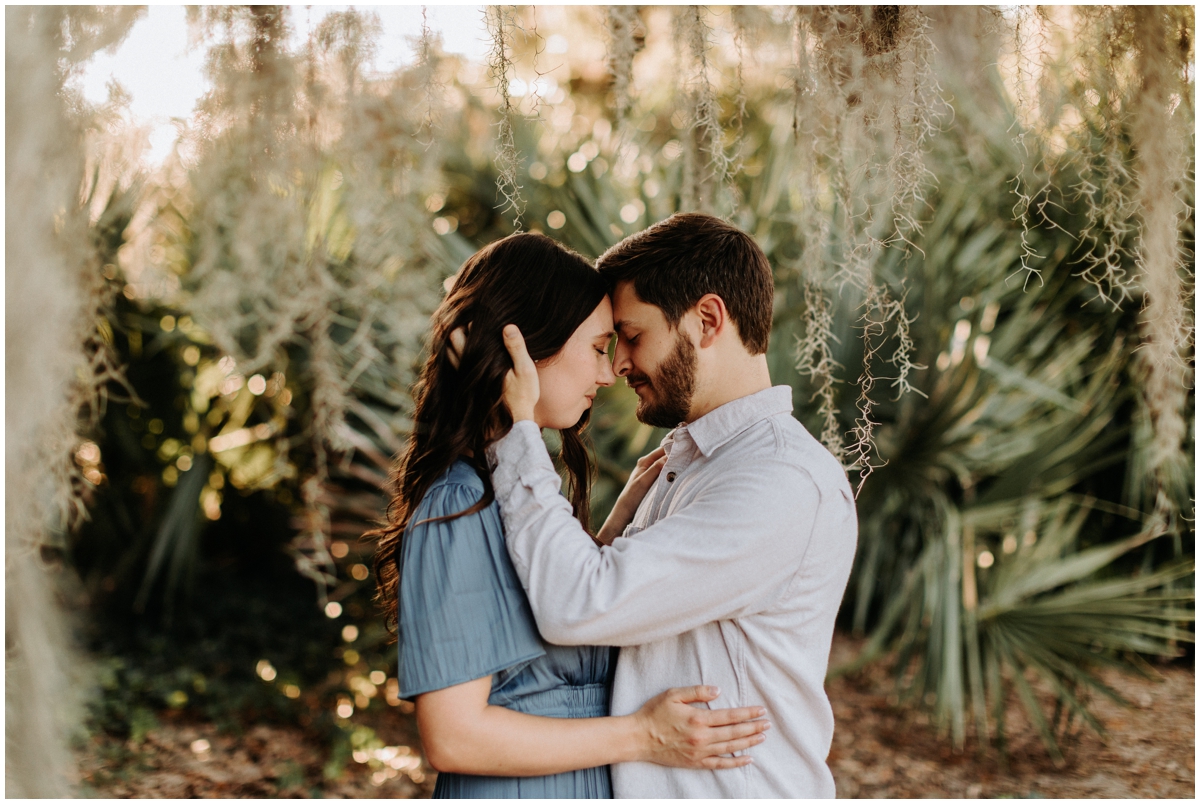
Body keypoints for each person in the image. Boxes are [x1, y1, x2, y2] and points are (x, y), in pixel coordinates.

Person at [369, 232, 771, 799]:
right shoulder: (459, 504)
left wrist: (616, 528)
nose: (609, 374)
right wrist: (641, 736)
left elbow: (562, 619)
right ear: (526, 352)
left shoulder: (507, 492)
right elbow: (455, 737)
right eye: (600, 346)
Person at [488, 213, 859, 798]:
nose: (618, 366)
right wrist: (610, 534)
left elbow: (578, 604)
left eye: (632, 336)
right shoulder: (694, 461)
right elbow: (609, 618)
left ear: (706, 320)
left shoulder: (779, 481)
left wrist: (519, 436)